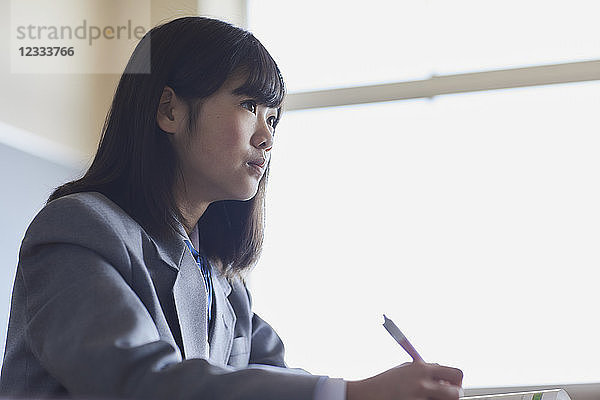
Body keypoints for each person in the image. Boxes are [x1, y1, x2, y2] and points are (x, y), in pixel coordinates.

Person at [0, 16, 463, 400]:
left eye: (274, 118)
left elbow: (278, 381)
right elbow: (138, 384)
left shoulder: (224, 283)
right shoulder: (77, 229)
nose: (266, 137)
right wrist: (352, 394)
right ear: (169, 111)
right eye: (249, 104)